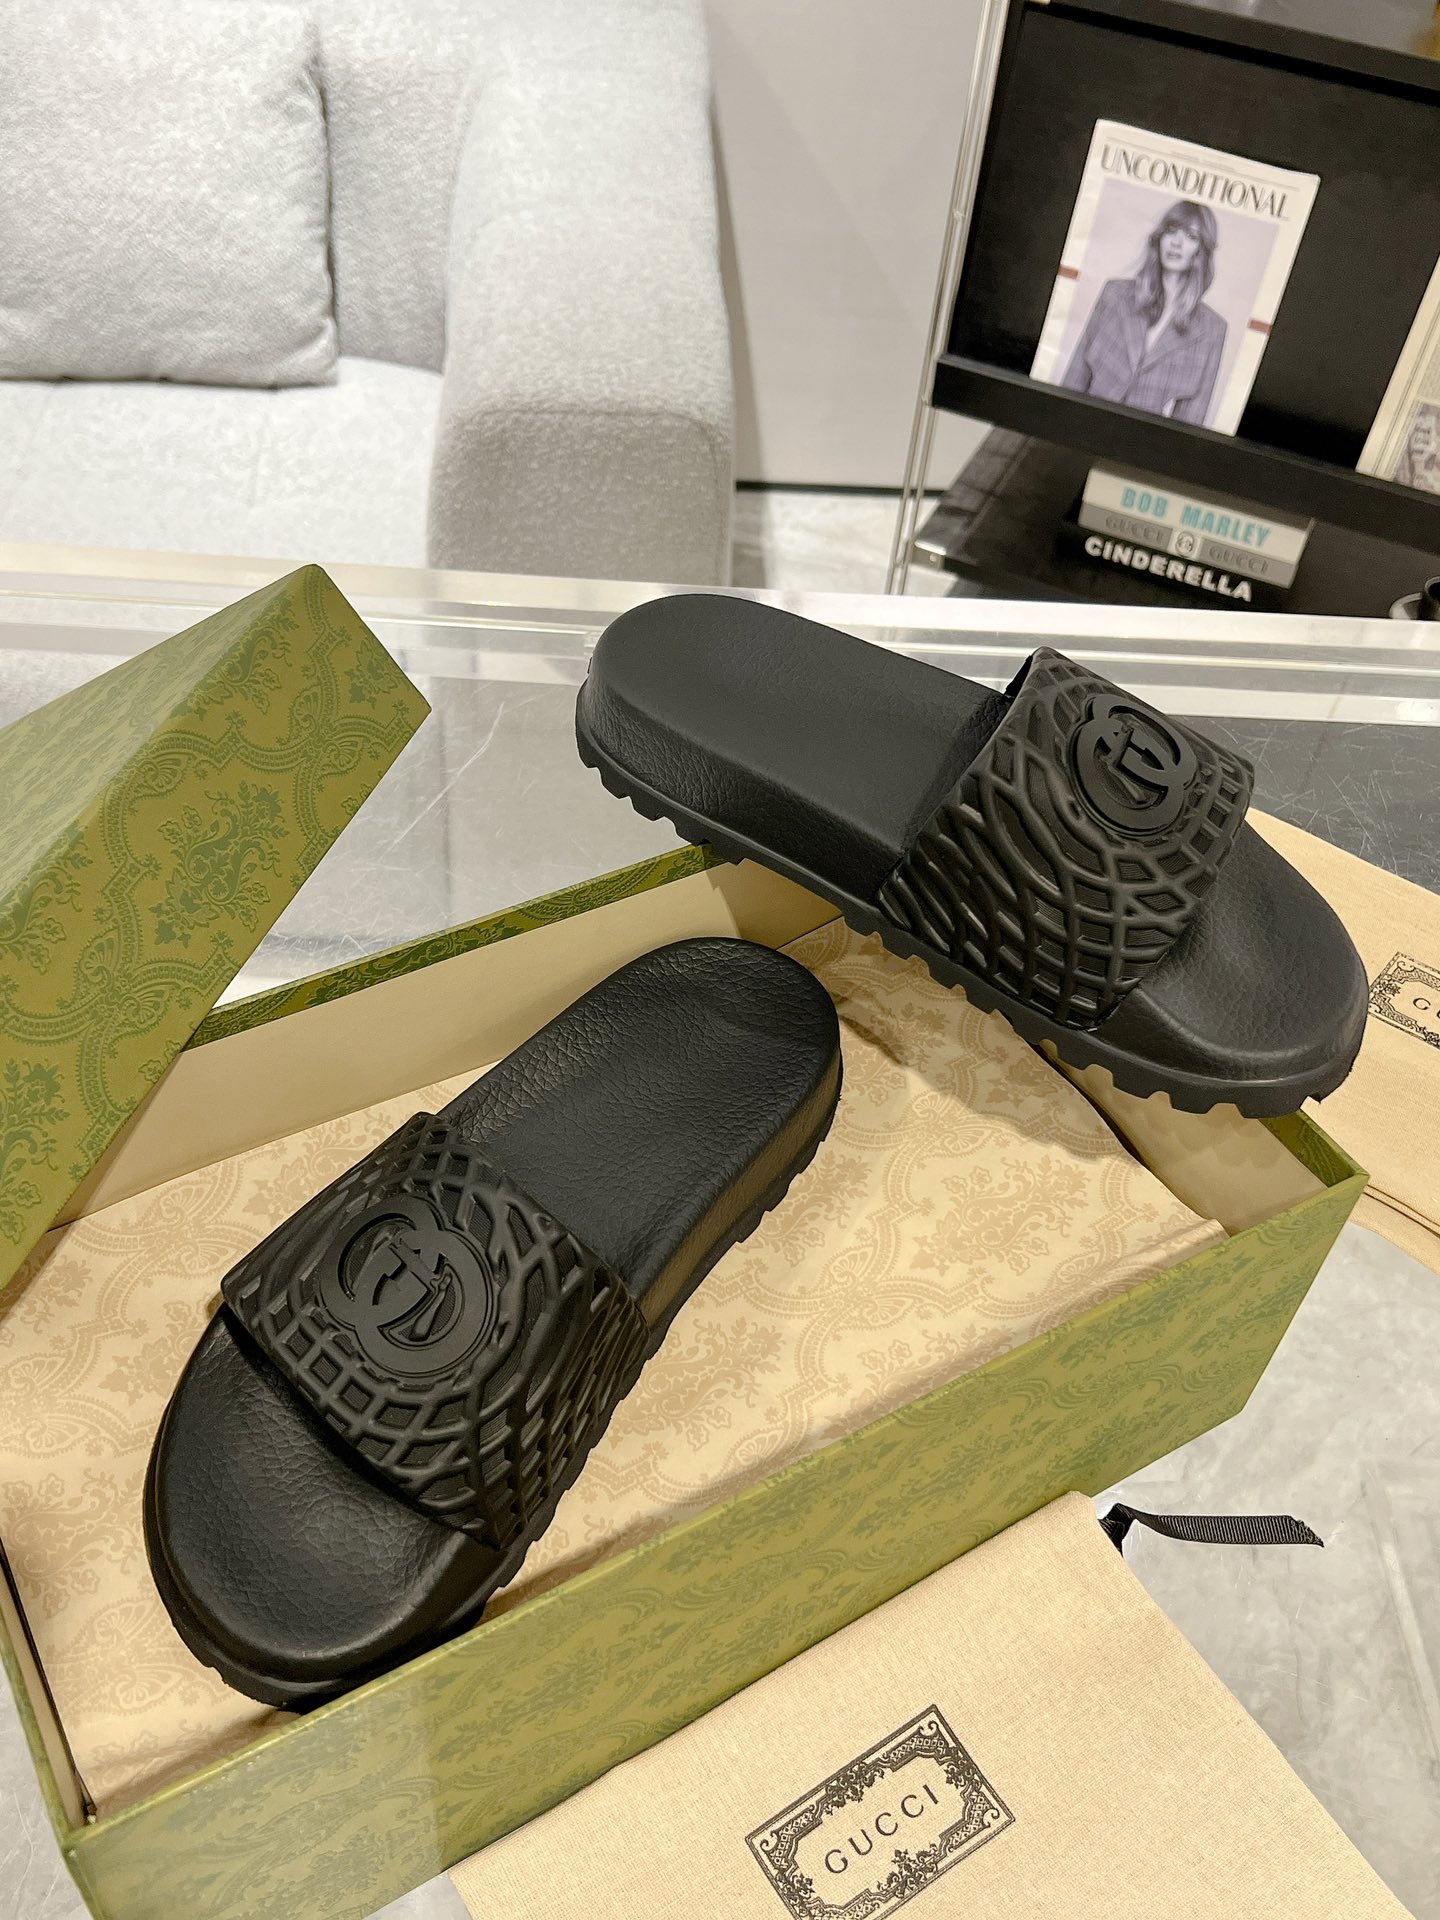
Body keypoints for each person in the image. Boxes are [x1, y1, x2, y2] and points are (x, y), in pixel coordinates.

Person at [1062, 199, 1226, 426]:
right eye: (1171, 231)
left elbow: (1189, 422)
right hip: (1081, 424)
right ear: (1159, 238)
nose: (1176, 243)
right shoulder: (1115, 294)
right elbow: (1076, 376)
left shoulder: (1212, 329)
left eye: (1191, 236)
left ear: (1202, 250)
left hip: (1141, 440)